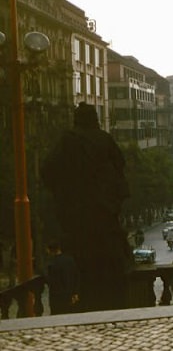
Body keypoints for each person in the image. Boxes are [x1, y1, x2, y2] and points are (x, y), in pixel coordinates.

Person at [41, 102, 132, 312]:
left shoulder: (68, 140)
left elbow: (48, 171)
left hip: (78, 218)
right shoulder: (105, 139)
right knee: (109, 262)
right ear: (95, 119)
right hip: (105, 216)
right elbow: (121, 168)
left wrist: (66, 190)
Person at [45, 240, 80, 315]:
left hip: (57, 297)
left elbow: (52, 282)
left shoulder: (52, 264)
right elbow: (76, 276)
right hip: (70, 294)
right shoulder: (70, 260)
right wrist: (75, 292)